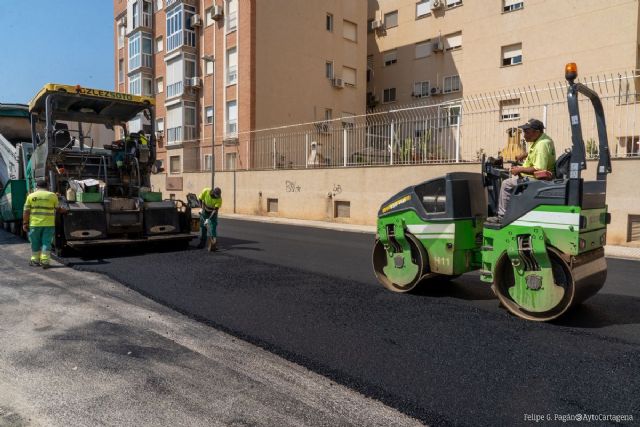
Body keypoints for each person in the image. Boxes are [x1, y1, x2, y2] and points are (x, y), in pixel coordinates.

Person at [488, 119, 556, 223]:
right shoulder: (542, 140)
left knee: (506, 184)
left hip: (536, 179)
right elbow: (536, 153)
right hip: (536, 177)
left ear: (536, 132)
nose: (524, 135)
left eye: (527, 132)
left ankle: (502, 217)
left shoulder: (541, 144)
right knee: (512, 178)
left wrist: (520, 169)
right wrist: (525, 155)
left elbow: (539, 169)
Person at [22, 178, 67, 268]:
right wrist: (65, 210)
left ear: (37, 187)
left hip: (34, 224)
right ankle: (45, 261)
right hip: (48, 225)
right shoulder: (52, 195)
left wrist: (25, 223)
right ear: (47, 186)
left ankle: (35, 260)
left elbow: (26, 211)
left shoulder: (31, 196)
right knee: (46, 242)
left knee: (35, 243)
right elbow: (58, 209)